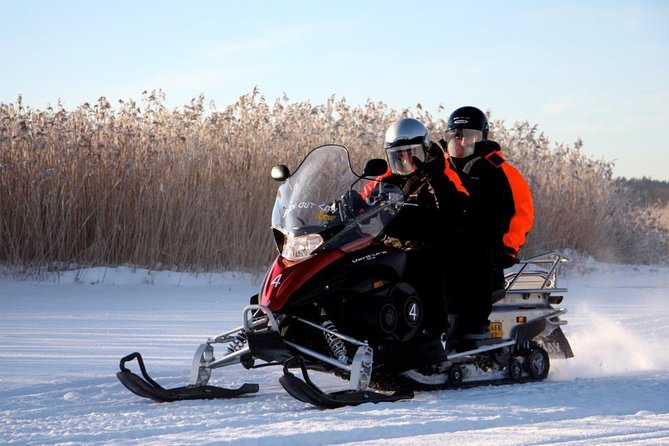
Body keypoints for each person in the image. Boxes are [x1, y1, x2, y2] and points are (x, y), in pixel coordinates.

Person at [362, 117, 470, 334]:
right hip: (393, 245)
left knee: (425, 265)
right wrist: (343, 205)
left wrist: (435, 177)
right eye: (398, 155)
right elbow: (364, 199)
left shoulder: (442, 172)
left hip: (434, 243)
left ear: (424, 150)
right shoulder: (386, 180)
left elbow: (456, 206)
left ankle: (434, 334)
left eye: (411, 153)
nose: (405, 159)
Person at [440, 106, 534, 342]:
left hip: (487, 249)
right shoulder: (440, 168)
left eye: (469, 136)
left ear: (482, 137)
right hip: (449, 242)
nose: (462, 143)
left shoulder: (500, 171)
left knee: (474, 257)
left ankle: (474, 325)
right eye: (456, 137)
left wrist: (508, 248)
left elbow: (522, 212)